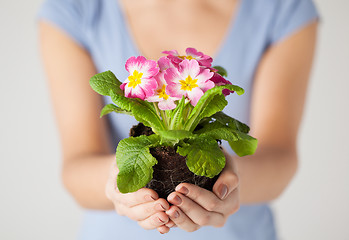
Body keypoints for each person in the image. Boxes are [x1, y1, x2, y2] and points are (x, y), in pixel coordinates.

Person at [38, 0, 319, 239]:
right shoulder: (75, 8)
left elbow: (280, 156)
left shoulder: (283, 7)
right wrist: (116, 180)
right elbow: (76, 167)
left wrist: (232, 181)